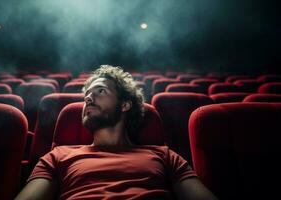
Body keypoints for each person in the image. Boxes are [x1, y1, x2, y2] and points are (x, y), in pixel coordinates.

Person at [15, 65, 218, 200]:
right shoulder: (57, 156)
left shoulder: (164, 156)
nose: (88, 98)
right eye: (87, 94)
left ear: (125, 105)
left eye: (100, 91)